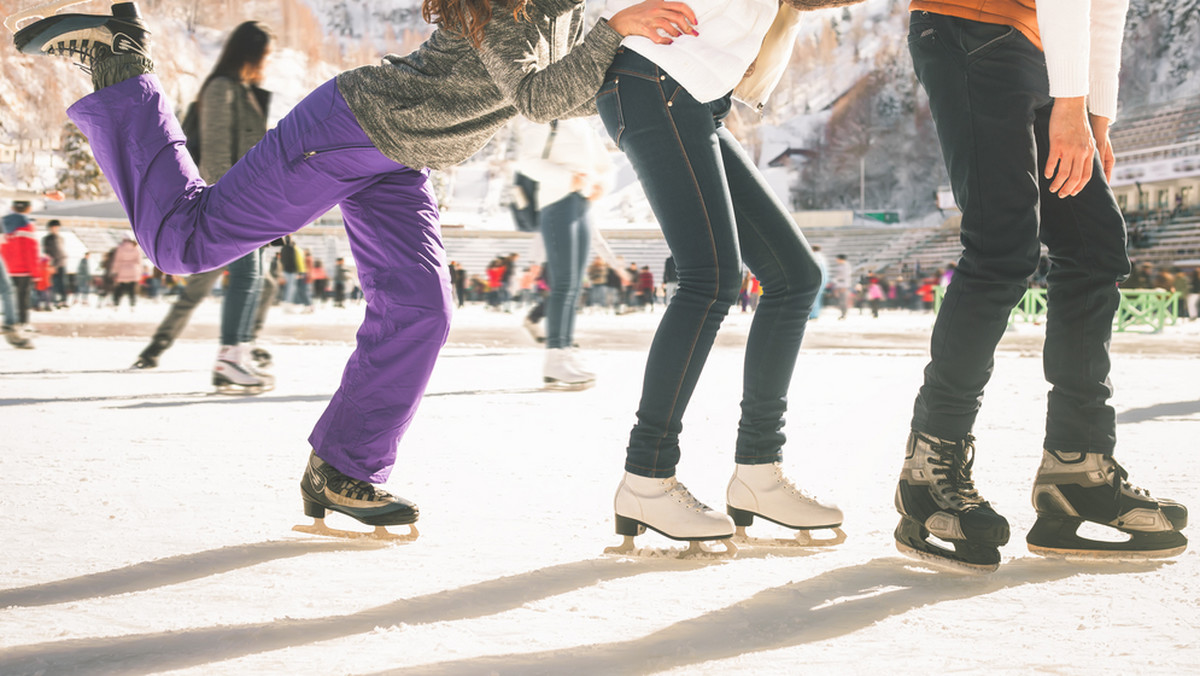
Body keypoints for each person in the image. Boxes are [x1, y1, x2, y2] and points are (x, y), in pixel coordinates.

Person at [14, 0, 697, 538]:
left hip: (398, 157)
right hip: (349, 131)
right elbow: (538, 98)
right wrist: (614, 31)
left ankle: (343, 470)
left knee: (423, 311)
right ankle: (121, 68)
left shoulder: (563, 8)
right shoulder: (510, 2)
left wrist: (648, 63)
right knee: (182, 244)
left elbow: (560, 93)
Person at [894, 0, 1187, 572]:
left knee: (1094, 248)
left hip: (1041, 50)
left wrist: (1094, 115)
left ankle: (1076, 469)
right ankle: (929, 470)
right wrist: (1074, 108)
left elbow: (1105, 6)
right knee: (1001, 248)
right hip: (970, 26)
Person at [596, 0, 840, 553]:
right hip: (654, 78)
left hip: (695, 96)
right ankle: (646, 478)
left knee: (796, 276)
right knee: (710, 280)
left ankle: (758, 473)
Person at [132, 22, 277, 394]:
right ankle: (228, 359)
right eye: (266, 54)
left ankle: (238, 354)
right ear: (251, 53)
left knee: (257, 280)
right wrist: (233, 204)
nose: (268, 61)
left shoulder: (245, 92)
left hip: (253, 202)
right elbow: (215, 155)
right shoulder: (221, 89)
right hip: (233, 202)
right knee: (245, 279)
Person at [514, 117, 613, 388]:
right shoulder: (546, 116)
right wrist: (570, 179)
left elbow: (603, 164)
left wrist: (600, 183)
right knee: (563, 283)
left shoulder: (583, 122)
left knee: (573, 285)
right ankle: (555, 357)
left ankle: (565, 351)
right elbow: (527, 161)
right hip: (557, 202)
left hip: (582, 203)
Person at [2, 200, 39, 338]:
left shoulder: (3, 223)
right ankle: (23, 324)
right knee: (23, 298)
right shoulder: (27, 225)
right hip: (23, 270)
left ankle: (11, 322)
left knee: (8, 297)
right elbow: (31, 251)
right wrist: (35, 273)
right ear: (28, 208)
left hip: (6, 268)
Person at [41, 219, 68, 308]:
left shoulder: (61, 238)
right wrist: (51, 265)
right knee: (54, 284)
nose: (55, 229)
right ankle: (54, 300)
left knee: (62, 283)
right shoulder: (47, 239)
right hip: (52, 265)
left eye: (56, 227)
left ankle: (63, 300)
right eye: (53, 227)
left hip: (62, 263)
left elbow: (62, 252)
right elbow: (47, 253)